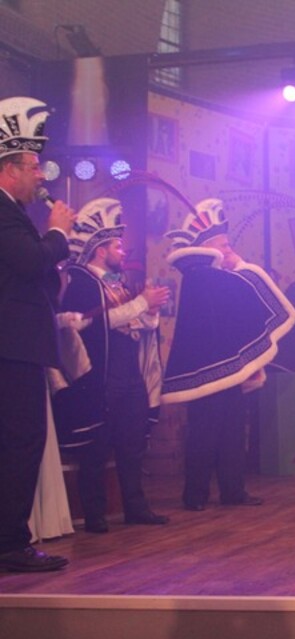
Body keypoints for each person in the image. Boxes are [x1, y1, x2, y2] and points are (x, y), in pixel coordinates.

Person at [162, 198, 295, 509]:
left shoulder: (217, 277)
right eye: (223, 245)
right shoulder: (201, 276)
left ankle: (233, 490)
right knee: (204, 433)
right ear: (207, 248)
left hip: (228, 369)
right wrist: (240, 265)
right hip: (208, 371)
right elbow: (245, 287)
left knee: (232, 432)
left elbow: (246, 298)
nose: (229, 249)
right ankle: (195, 494)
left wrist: (238, 264)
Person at [53, 198, 170, 533]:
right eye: (117, 246)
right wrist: (140, 303)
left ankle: (136, 507)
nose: (123, 250)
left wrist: (150, 311)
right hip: (101, 375)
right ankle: (94, 514)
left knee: (132, 445)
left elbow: (136, 324)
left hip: (128, 372)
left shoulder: (118, 283)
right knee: (97, 445)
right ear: (100, 250)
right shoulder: (82, 281)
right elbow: (95, 323)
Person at [0, 96, 73, 572]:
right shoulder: (4, 212)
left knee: (18, 442)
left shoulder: (13, 213)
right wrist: (58, 234)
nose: (41, 176)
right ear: (9, 170)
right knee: (21, 441)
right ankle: (10, 543)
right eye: (33, 166)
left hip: (15, 345)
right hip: (11, 346)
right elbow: (29, 262)